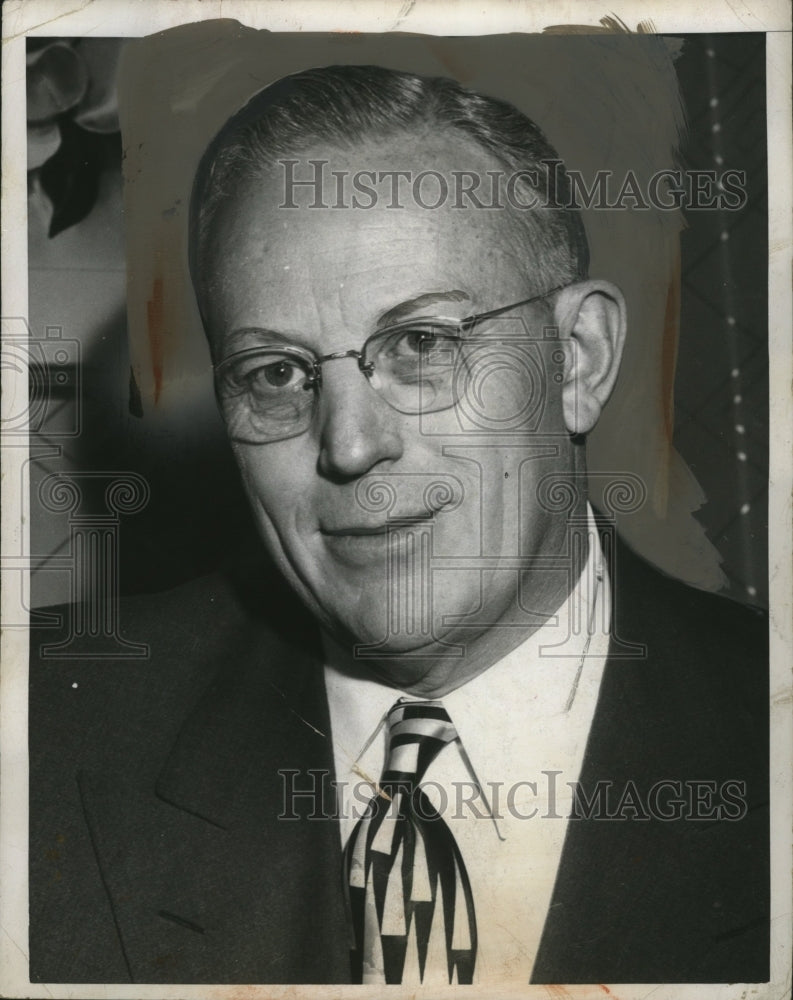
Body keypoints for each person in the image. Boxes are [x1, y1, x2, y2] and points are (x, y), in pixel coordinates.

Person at [29, 65, 768, 986]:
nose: (348, 445)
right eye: (275, 374)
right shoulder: (42, 735)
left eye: (422, 344)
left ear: (576, 360)